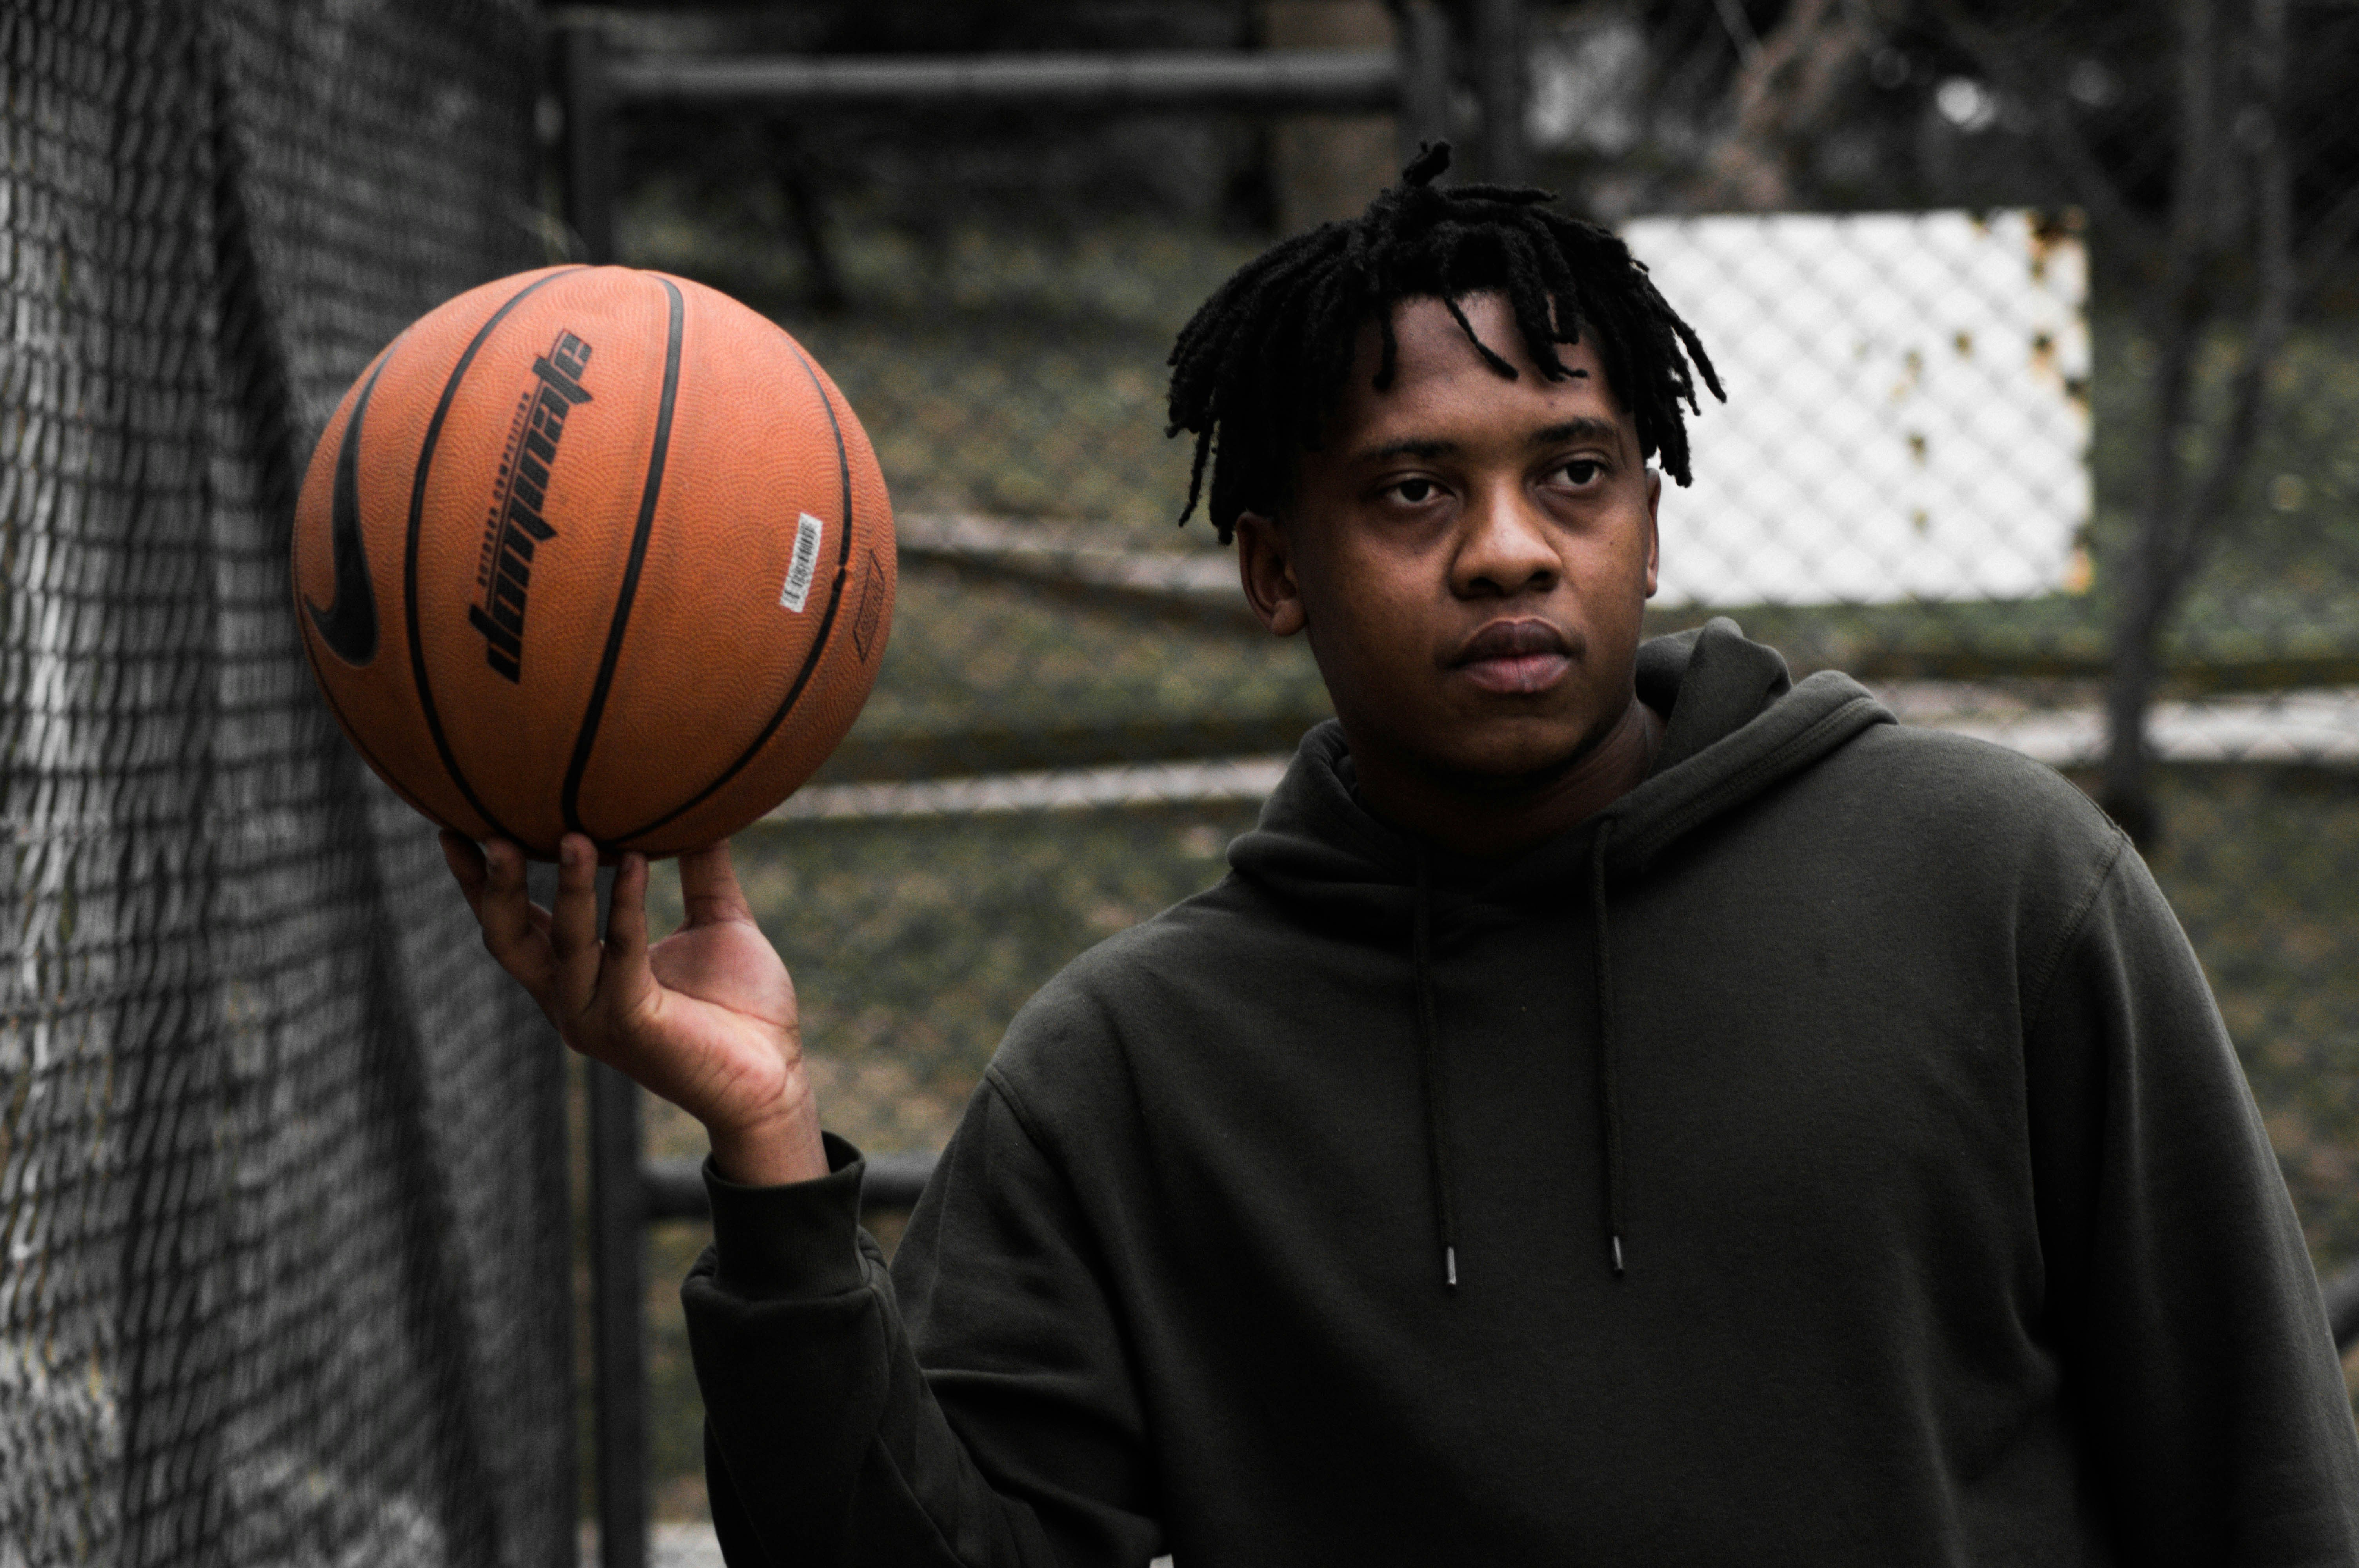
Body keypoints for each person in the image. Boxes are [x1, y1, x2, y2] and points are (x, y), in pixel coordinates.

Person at [443, 146, 2359, 1565]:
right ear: (1274, 566)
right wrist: (770, 1157)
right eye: (1413, 490)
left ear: (1650, 526)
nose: (1511, 547)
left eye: (1575, 473)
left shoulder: (1998, 887)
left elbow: (2262, 1480)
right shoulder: (1133, 1075)